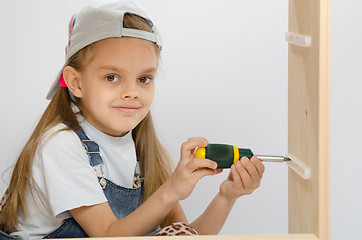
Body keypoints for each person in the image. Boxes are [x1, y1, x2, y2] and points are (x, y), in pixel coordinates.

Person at [0, 0, 265, 238]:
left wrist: (227, 196)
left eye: (143, 79)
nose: (132, 92)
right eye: (111, 77)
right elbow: (106, 235)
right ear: (76, 83)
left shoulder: (141, 147)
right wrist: (171, 189)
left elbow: (186, 235)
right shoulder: (60, 146)